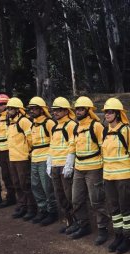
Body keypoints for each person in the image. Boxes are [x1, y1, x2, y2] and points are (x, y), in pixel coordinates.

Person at [70, 96, 110, 243]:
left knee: (97, 200)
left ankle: (102, 229)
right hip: (79, 168)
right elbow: (74, 146)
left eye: (81, 109)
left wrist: (105, 168)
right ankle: (83, 224)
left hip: (94, 168)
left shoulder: (96, 126)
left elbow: (103, 147)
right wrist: (70, 162)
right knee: (76, 199)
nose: (78, 111)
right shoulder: (77, 127)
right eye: (77, 109)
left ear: (88, 110)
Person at [101, 98, 130, 254]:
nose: (107, 114)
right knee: (114, 208)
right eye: (106, 112)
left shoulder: (126, 131)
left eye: (110, 112)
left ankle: (128, 238)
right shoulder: (105, 131)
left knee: (125, 207)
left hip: (123, 177)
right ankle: (118, 235)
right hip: (108, 177)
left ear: (117, 114)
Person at [47, 97, 77, 234]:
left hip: (65, 166)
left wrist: (69, 164)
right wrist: (49, 162)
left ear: (66, 111)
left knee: (70, 195)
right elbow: (52, 146)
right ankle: (69, 220)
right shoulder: (54, 127)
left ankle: (77, 221)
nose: (56, 113)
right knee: (60, 195)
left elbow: (73, 145)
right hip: (55, 166)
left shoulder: (71, 125)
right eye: (54, 110)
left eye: (59, 110)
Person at [27, 97, 58, 226]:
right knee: (35, 185)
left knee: (47, 187)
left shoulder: (49, 123)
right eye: (31, 109)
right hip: (34, 158)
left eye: (35, 108)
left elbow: (55, 140)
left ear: (41, 109)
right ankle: (42, 209)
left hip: (45, 158)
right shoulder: (32, 124)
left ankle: (52, 212)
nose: (32, 111)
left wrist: (51, 158)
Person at [6, 97, 37, 220]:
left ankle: (31, 208)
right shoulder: (11, 123)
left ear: (18, 109)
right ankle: (22, 205)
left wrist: (28, 152)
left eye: (12, 108)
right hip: (13, 158)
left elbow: (30, 139)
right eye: (8, 108)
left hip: (23, 158)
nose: (9, 110)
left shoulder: (24, 121)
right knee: (17, 184)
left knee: (25, 184)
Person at [0, 93, 16, 208]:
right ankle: (11, 197)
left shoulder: (10, 117)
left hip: (10, 150)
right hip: (2, 150)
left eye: (2, 104)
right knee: (6, 175)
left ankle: (18, 199)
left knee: (13, 175)